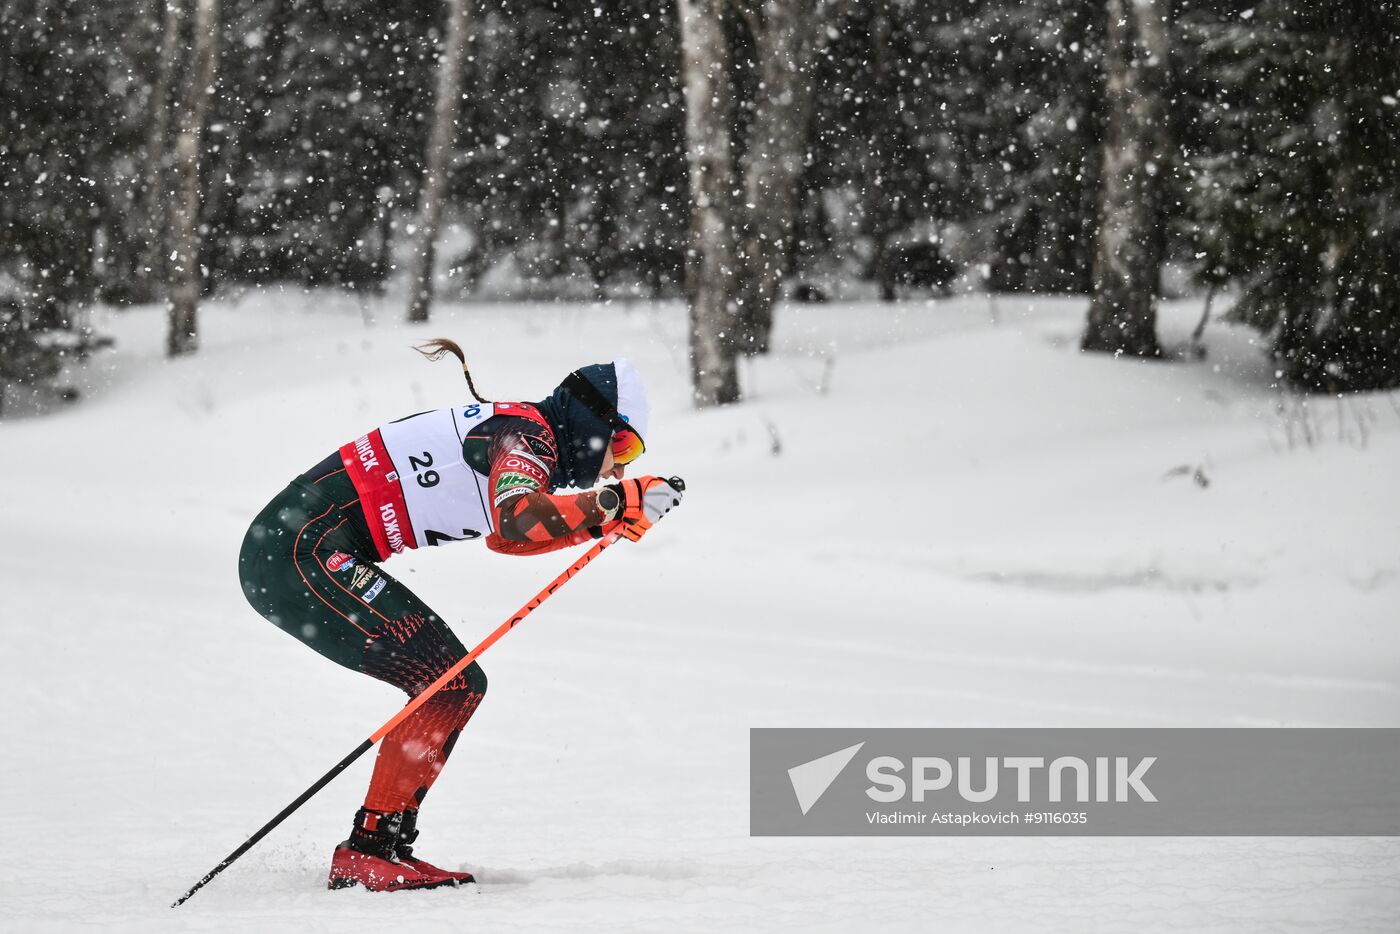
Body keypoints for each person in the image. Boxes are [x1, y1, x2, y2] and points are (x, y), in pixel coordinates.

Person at [237, 340, 684, 892]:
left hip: (299, 547)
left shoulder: (527, 434)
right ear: (591, 418)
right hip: (296, 550)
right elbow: (519, 520)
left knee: (453, 683)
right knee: (447, 683)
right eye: (620, 440)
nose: (617, 462)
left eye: (632, 454)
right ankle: (370, 851)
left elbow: (507, 538)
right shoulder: (527, 437)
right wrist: (617, 503)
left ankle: (381, 847)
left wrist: (604, 519)